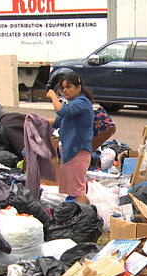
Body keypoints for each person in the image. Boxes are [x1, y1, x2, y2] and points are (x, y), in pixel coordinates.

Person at [46, 74, 95, 203]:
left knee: (77, 190)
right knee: (74, 190)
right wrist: (38, 121)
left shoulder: (82, 103)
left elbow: (62, 111)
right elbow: (58, 120)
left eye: (69, 87)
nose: (65, 90)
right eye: (63, 88)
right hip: (69, 152)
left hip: (78, 152)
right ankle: (81, 215)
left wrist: (53, 97)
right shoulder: (73, 104)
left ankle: (83, 218)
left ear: (79, 88)